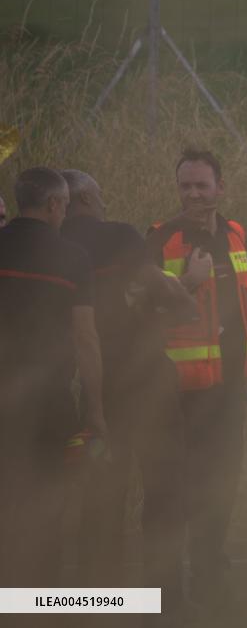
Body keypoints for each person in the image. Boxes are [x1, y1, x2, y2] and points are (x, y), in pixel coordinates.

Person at [61, 170, 195, 614]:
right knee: (163, 493)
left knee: (102, 499)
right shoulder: (117, 235)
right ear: (82, 197)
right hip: (149, 385)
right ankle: (163, 604)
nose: (103, 202)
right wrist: (184, 292)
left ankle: (96, 605)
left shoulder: (58, 247)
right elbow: (165, 290)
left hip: (96, 388)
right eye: (98, 195)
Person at [146, 149, 247, 609]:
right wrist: (189, 283)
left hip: (230, 390)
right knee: (172, 495)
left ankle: (210, 583)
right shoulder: (161, 238)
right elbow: (141, 314)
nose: (193, 194)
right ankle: (164, 598)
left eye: (201, 185)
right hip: (177, 395)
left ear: (221, 187)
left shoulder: (235, 234)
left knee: (221, 487)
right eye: (185, 186)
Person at [0, 167, 105, 588]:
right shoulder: (72, 258)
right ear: (55, 205)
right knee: (46, 508)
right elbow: (86, 338)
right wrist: (95, 411)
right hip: (49, 405)